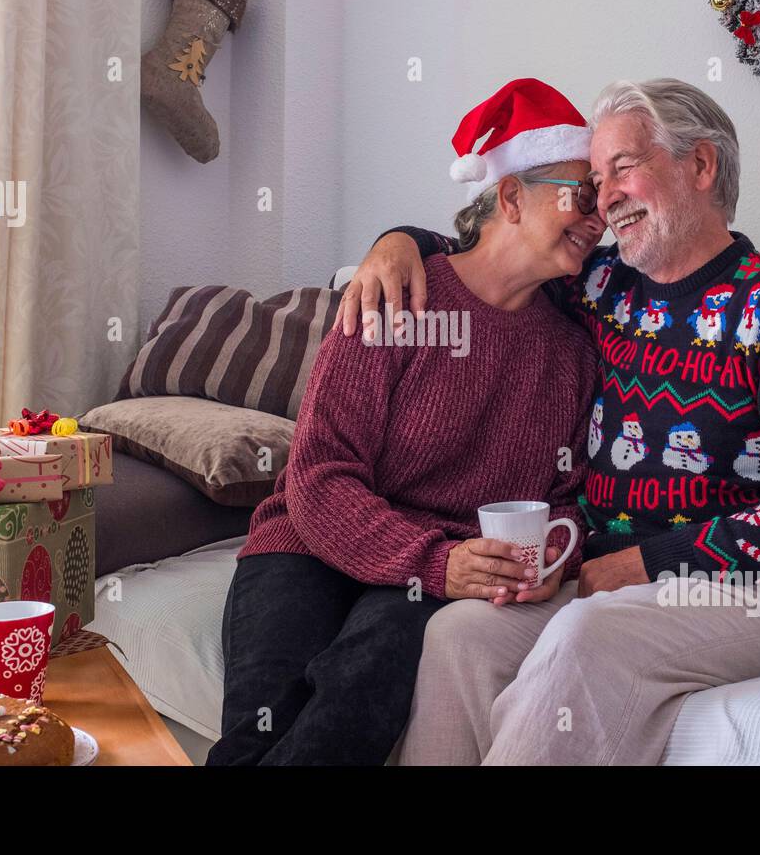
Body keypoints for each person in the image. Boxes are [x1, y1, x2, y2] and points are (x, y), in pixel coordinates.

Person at [340, 78, 760, 765]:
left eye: (623, 167)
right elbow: (489, 253)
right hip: (611, 580)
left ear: (701, 166)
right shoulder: (600, 286)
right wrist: (399, 240)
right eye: (595, 180)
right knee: (460, 636)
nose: (605, 197)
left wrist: (649, 564)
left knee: (586, 634)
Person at [206, 78, 603, 765]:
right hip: (310, 541)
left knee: (362, 687)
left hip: (435, 569)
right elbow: (320, 473)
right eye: (580, 196)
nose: (596, 218)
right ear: (510, 195)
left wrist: (551, 559)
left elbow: (567, 499)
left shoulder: (572, 350)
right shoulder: (398, 296)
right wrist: (434, 561)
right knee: (261, 727)